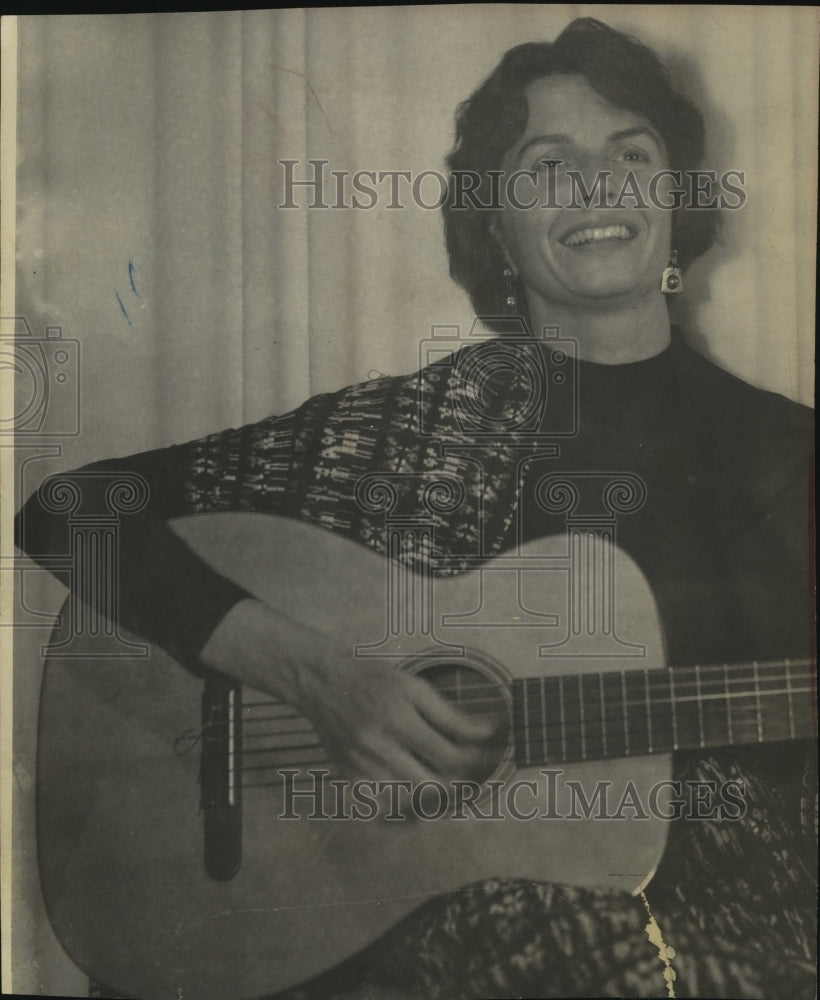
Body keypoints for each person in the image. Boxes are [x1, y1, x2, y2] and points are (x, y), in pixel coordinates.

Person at [15, 17, 815, 1000]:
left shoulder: (795, 456)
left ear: (676, 193)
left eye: (630, 153)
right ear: (495, 227)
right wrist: (318, 677)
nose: (595, 186)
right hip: (434, 925)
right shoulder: (414, 425)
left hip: (737, 918)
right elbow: (70, 511)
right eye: (545, 164)